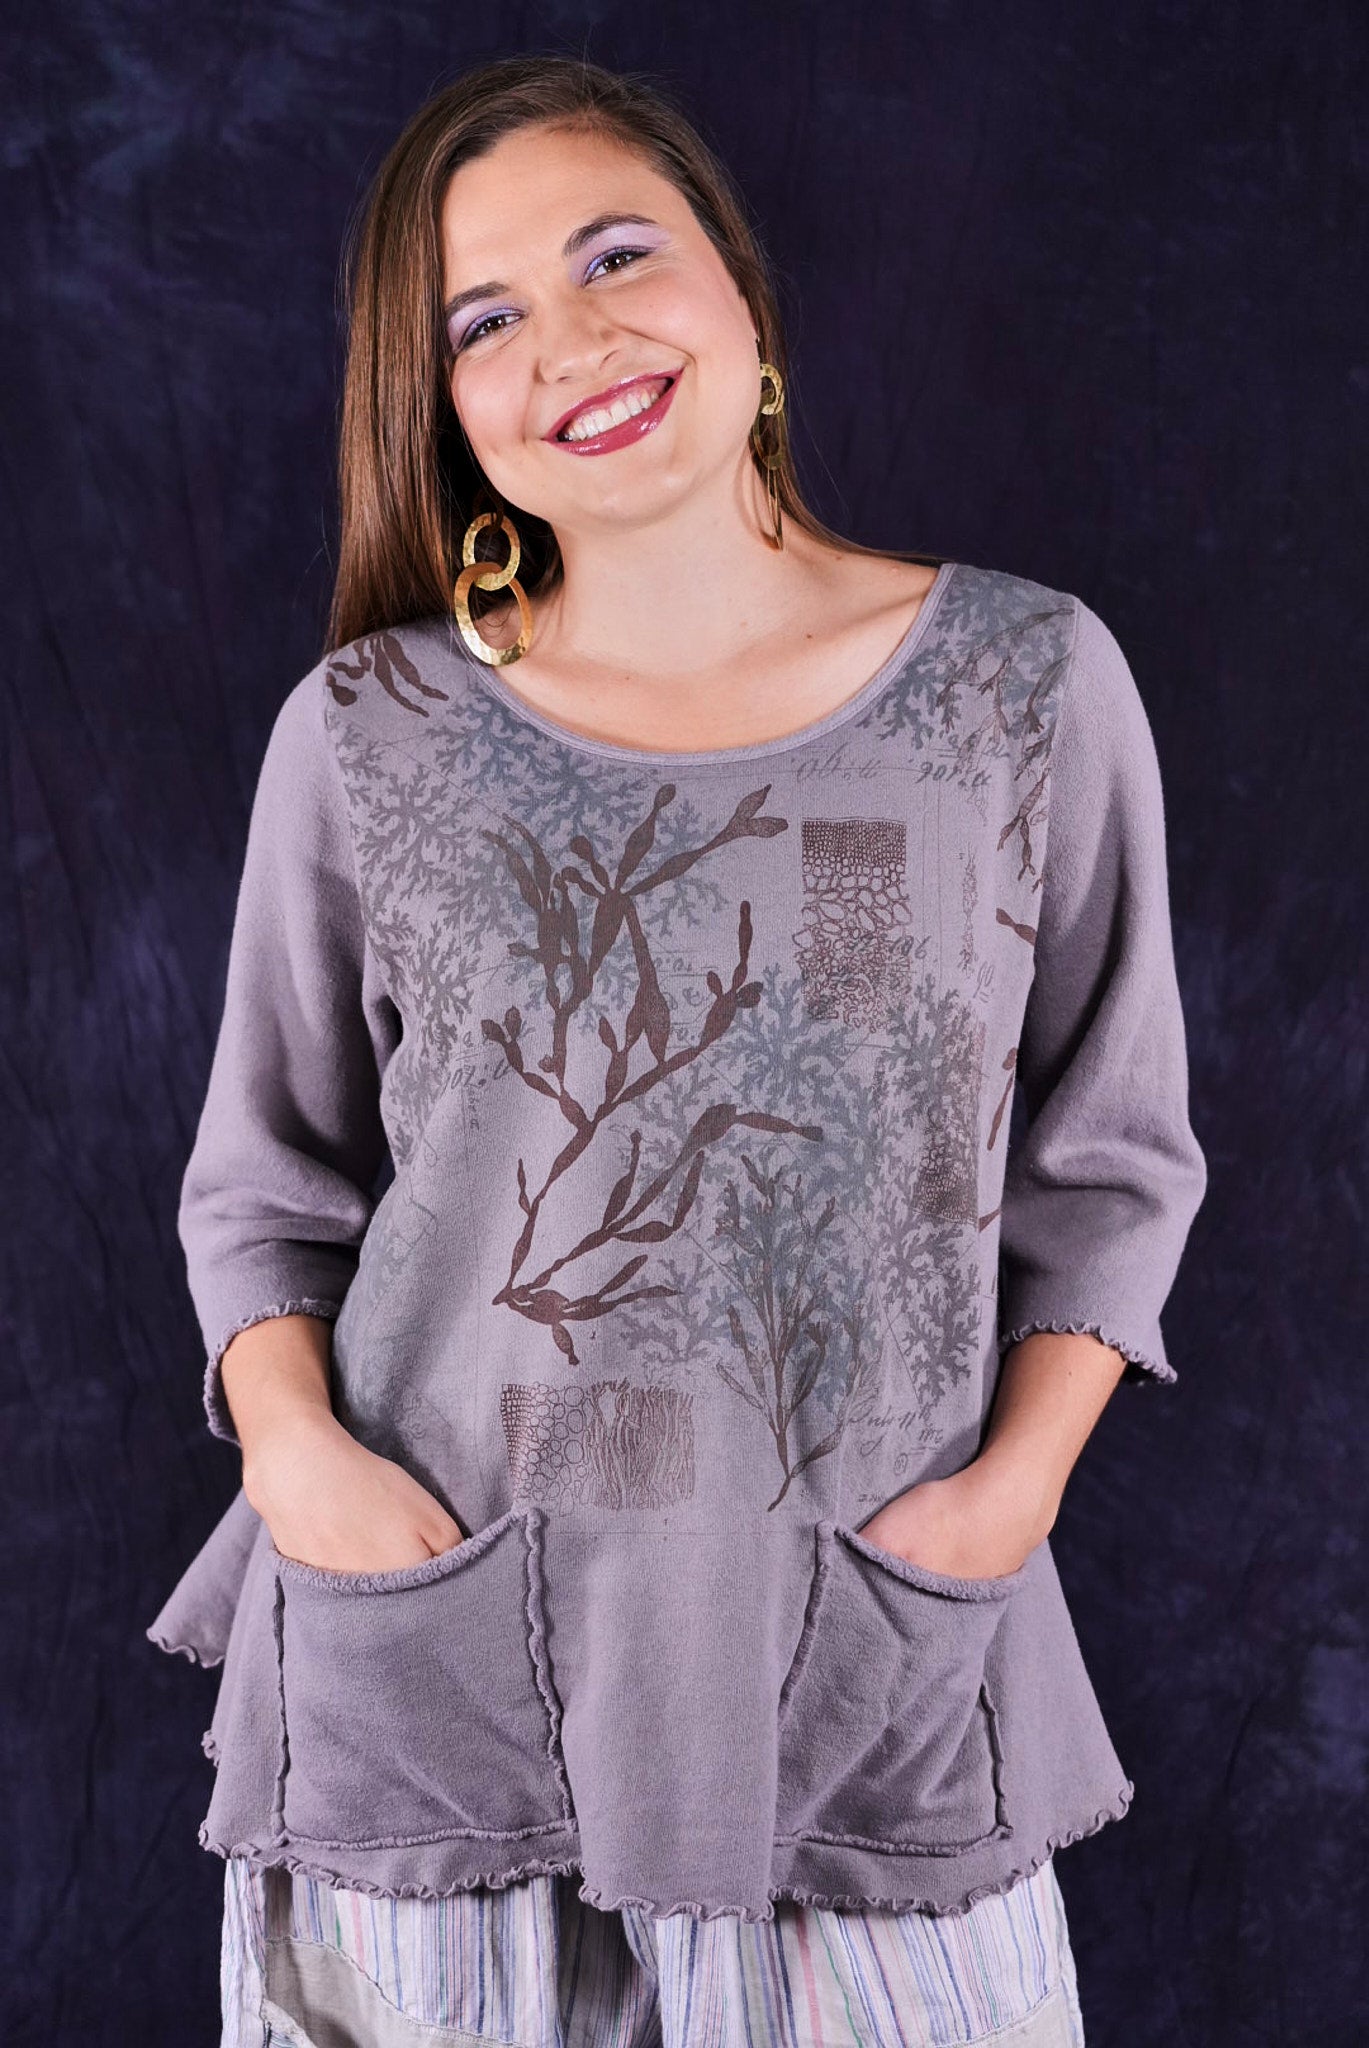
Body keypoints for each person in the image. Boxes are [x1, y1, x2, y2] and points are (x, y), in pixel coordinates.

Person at [146, 52, 1207, 2048]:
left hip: (856, 1669)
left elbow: (1112, 1162)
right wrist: (300, 1462)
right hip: (430, 1679)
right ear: (441, 408)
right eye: (481, 320)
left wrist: (1008, 1494)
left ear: (740, 284)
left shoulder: (1016, 689)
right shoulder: (371, 734)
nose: (568, 340)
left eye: (614, 254)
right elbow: (265, 1187)